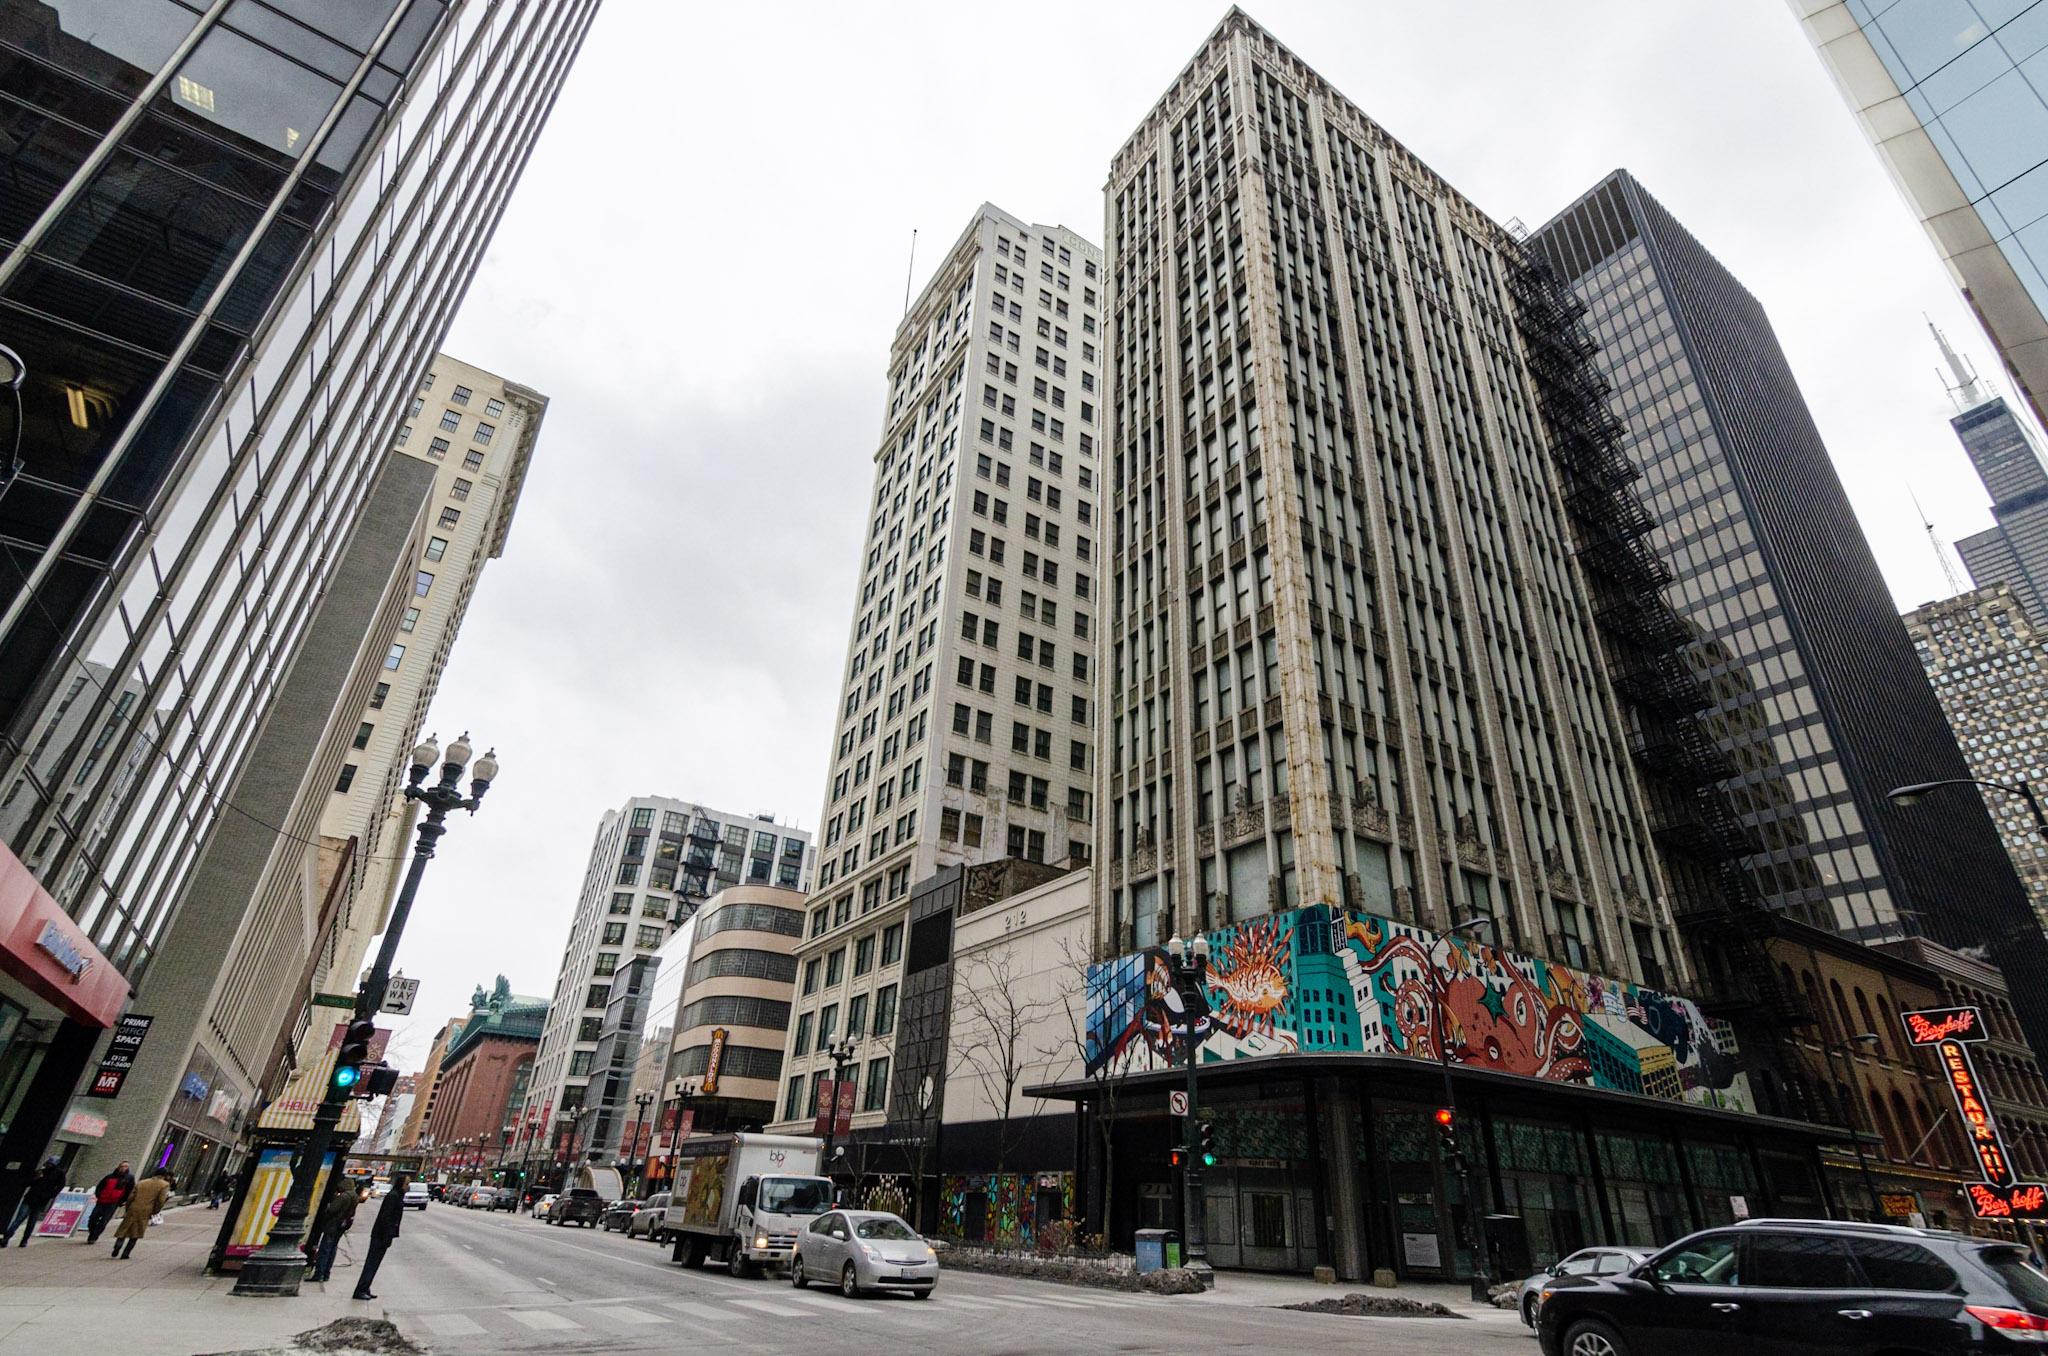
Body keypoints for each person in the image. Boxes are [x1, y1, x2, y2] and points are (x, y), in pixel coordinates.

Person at [353, 1172, 406, 1300]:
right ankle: (361, 1289)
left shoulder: (396, 1196)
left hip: (383, 1235)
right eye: (407, 1184)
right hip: (381, 1235)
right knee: (372, 1263)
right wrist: (387, 1235)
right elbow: (386, 1217)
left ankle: (365, 1287)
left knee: (374, 1263)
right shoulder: (393, 1196)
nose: (408, 1187)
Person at [111, 1170, 172, 1259]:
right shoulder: (164, 1185)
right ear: (165, 1175)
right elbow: (160, 1200)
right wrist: (156, 1211)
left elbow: (131, 1196)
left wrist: (128, 1207)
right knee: (136, 1232)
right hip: (146, 1210)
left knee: (124, 1228)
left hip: (133, 1207)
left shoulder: (142, 1182)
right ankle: (126, 1253)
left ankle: (118, 1245)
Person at [4, 1160, 65, 1246]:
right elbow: (27, 1183)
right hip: (30, 1198)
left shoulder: (59, 1173)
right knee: (20, 1218)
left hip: (41, 1200)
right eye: (47, 1164)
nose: (48, 1165)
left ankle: (24, 1240)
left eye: (50, 1164)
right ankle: (7, 1237)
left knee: (31, 1221)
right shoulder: (40, 1172)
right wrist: (35, 1178)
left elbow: (60, 1185)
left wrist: (51, 1195)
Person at [309, 1184, 362, 1283]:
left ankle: (319, 1273)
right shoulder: (354, 1196)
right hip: (341, 1226)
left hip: (333, 1225)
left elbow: (332, 1209)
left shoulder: (343, 1196)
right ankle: (326, 1273)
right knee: (332, 1249)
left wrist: (329, 1206)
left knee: (325, 1249)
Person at [85, 1161, 134, 1245]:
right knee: (93, 1217)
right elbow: (100, 1186)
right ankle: (92, 1232)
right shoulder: (109, 1176)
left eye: (126, 1166)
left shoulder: (129, 1178)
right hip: (101, 1201)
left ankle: (94, 1236)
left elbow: (129, 1190)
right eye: (122, 1166)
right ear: (119, 1167)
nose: (123, 1168)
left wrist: (122, 1201)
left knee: (104, 1220)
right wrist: (99, 1195)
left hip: (113, 1202)